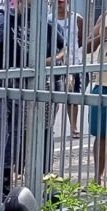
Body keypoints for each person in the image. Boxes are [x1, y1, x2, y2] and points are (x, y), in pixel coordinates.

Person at [0, 0, 65, 204]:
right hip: (2, 88)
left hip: (37, 88)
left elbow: (62, 48)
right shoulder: (0, 21)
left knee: (38, 136)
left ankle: (39, 185)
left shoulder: (45, 24)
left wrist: (47, 62)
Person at [50, 0, 85, 139]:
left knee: (73, 96)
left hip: (73, 64)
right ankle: (50, 124)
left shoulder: (77, 19)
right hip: (56, 65)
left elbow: (82, 39)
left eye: (61, 1)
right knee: (53, 96)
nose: (59, 4)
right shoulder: (49, 19)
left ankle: (73, 126)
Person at [86, 12, 107, 184]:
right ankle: (97, 178)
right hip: (103, 83)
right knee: (100, 134)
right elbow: (87, 47)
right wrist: (102, 35)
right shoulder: (104, 16)